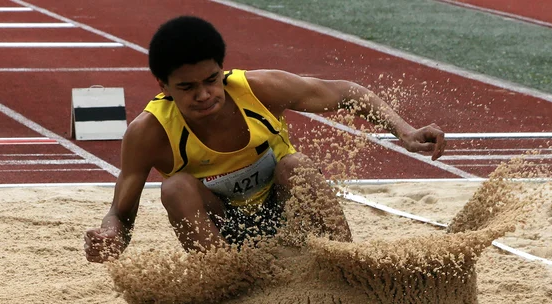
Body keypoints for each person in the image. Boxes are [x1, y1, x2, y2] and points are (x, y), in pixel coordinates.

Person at [84, 16, 446, 263]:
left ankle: (345, 266)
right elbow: (121, 212)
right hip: (222, 230)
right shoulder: (149, 132)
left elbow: (345, 92)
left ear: (222, 70)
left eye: (211, 80)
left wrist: (405, 131)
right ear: (163, 87)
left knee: (295, 165)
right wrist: (110, 237)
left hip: (285, 216)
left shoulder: (258, 89)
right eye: (187, 88)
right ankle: (225, 286)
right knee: (175, 188)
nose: (205, 95)